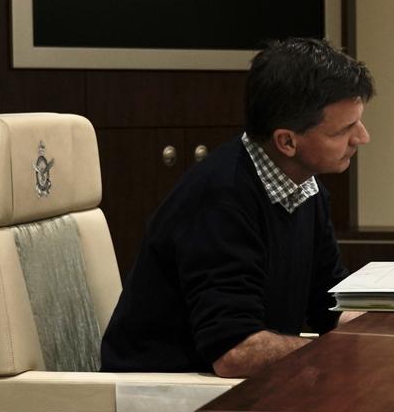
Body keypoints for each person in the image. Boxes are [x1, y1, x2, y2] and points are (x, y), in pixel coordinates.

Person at [100, 38, 372, 376]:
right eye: (345, 129)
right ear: (287, 141)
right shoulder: (220, 199)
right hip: (170, 392)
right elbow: (235, 351)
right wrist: (342, 353)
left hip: (233, 386)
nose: (362, 137)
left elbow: (327, 304)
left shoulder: (304, 186)